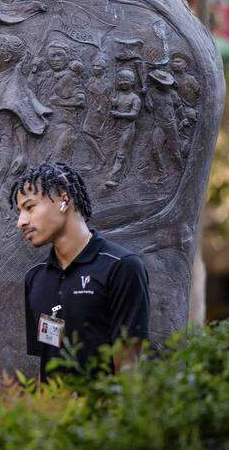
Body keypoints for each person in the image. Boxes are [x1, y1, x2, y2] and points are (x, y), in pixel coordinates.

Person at [10, 162, 149, 380]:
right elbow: (47, 363)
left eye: (29, 207)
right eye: (20, 212)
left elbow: (129, 367)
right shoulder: (36, 279)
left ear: (64, 200)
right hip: (54, 412)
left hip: (103, 412)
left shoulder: (121, 267)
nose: (21, 221)